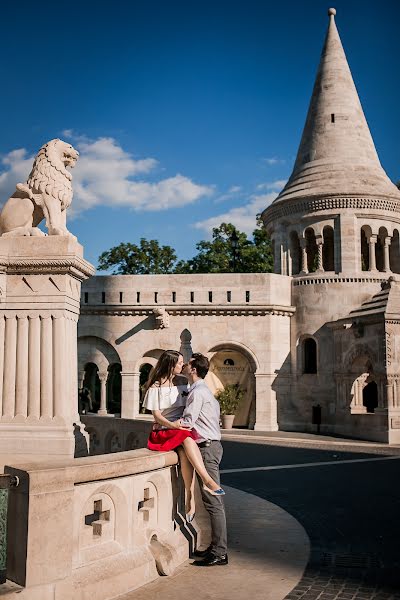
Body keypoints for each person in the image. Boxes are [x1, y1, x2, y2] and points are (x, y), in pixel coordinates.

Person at [142, 350, 225, 523]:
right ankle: (207, 480)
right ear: (170, 364)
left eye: (184, 363)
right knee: (187, 438)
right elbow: (157, 416)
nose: (183, 365)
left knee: (185, 454)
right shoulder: (155, 387)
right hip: (164, 430)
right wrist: (172, 425)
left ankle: (189, 496)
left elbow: (191, 407)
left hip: (181, 430)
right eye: (180, 362)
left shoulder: (183, 383)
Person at [181, 353, 228, 567]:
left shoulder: (198, 393)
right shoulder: (201, 390)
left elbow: (188, 422)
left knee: (213, 502)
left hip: (207, 449)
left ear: (193, 369)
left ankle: (219, 552)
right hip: (209, 447)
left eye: (187, 364)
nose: (184, 366)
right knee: (211, 502)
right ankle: (216, 547)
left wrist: (165, 424)